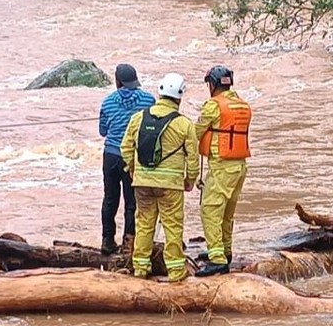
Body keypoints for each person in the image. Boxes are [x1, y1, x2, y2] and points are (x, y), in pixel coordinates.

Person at [120, 73, 200, 282]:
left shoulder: (138, 118)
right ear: (180, 96)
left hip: (142, 183)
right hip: (171, 185)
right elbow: (193, 157)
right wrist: (190, 180)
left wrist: (133, 169)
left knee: (144, 224)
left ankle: (140, 268)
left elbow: (125, 148)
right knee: (172, 226)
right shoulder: (184, 124)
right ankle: (175, 271)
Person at [193, 66, 252, 277]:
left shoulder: (213, 106)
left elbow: (195, 132)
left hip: (222, 167)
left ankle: (217, 259)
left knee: (210, 210)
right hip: (240, 166)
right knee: (227, 212)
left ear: (213, 84)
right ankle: (224, 251)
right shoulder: (242, 104)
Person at [98, 63, 156, 255]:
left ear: (117, 81)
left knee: (110, 199)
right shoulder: (148, 100)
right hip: (132, 157)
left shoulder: (107, 102)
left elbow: (102, 131)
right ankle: (128, 243)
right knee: (132, 202)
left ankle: (107, 241)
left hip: (111, 156)